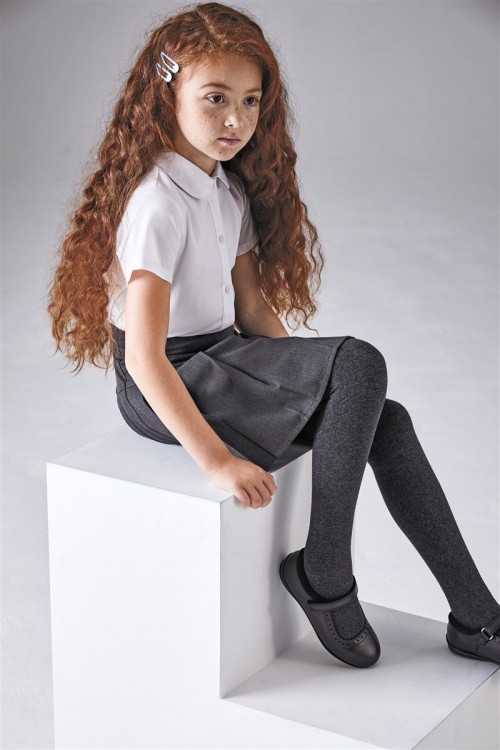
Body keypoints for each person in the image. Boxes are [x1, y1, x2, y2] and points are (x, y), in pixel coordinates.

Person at [46, 1, 500, 669]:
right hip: (165, 381)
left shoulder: (226, 192)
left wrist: (310, 386)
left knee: (385, 417)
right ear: (167, 95)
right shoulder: (157, 204)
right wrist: (215, 461)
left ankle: (477, 617)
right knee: (362, 363)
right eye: (216, 99)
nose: (236, 120)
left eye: (251, 101)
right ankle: (325, 574)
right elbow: (142, 356)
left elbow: (253, 309)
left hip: (222, 357)